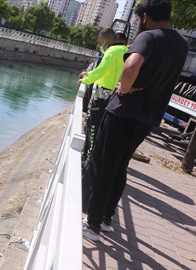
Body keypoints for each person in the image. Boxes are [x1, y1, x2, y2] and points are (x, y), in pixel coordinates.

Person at [82, 0, 188, 241]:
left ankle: (93, 226)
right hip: (147, 118)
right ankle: (107, 218)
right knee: (120, 166)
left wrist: (123, 89)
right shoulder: (181, 44)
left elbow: (131, 65)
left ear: (145, 17)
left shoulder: (148, 37)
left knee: (103, 165)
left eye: (139, 19)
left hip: (123, 112)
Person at [78, 28, 128, 161]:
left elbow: (101, 70)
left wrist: (85, 79)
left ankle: (87, 159)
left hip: (102, 95)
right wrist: (88, 74)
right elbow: (108, 71)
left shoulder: (112, 51)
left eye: (100, 42)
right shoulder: (123, 50)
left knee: (93, 126)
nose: (99, 46)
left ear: (106, 42)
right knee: (99, 127)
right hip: (111, 94)